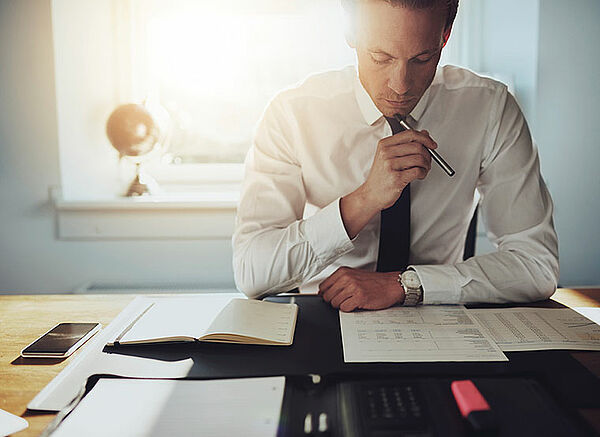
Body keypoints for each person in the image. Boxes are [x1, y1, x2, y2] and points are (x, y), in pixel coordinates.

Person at [232, 0, 558, 312]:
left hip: (438, 319)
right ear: (352, 32)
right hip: (322, 316)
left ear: (445, 35)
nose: (400, 86)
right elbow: (252, 272)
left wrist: (405, 285)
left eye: (422, 58)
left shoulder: (490, 108)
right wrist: (363, 200)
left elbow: (536, 264)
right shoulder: (292, 114)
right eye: (381, 57)